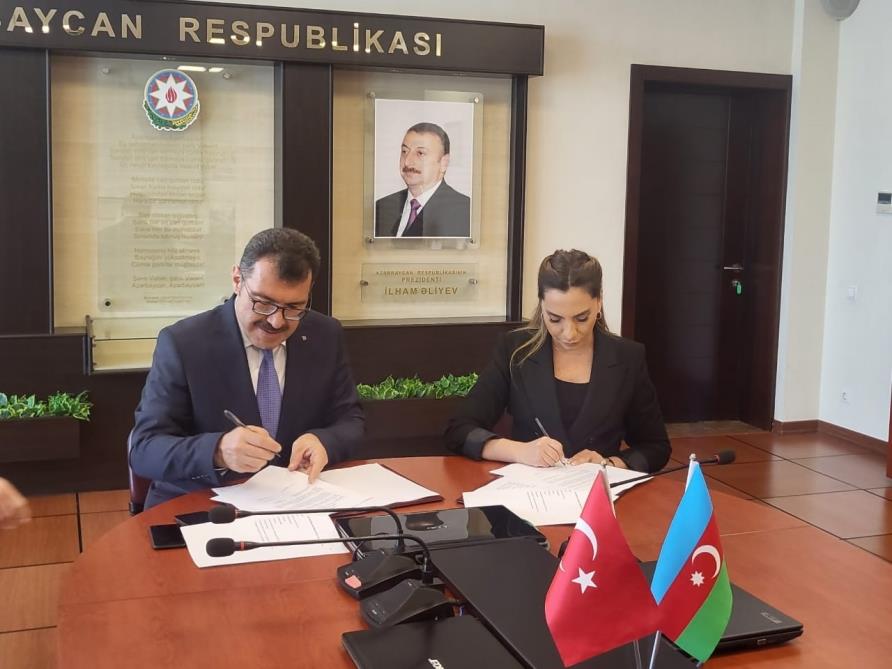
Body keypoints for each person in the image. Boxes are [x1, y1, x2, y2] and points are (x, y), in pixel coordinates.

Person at [130, 228, 365, 508]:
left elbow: (350, 420)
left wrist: (324, 441)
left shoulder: (324, 334)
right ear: (237, 280)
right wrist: (217, 451)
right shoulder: (184, 343)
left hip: (297, 502)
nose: (277, 322)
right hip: (203, 504)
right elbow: (145, 449)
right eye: (263, 303)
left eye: (294, 308)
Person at [445, 249, 670, 473]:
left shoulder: (627, 358)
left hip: (596, 491)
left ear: (599, 302)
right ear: (542, 306)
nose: (569, 333)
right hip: (527, 490)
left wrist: (608, 463)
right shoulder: (515, 351)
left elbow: (655, 447)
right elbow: (459, 430)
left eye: (581, 318)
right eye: (555, 319)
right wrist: (519, 451)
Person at [374, 122, 471, 238]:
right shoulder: (383, 207)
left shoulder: (465, 211)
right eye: (404, 151)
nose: (407, 162)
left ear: (444, 163)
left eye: (420, 153)